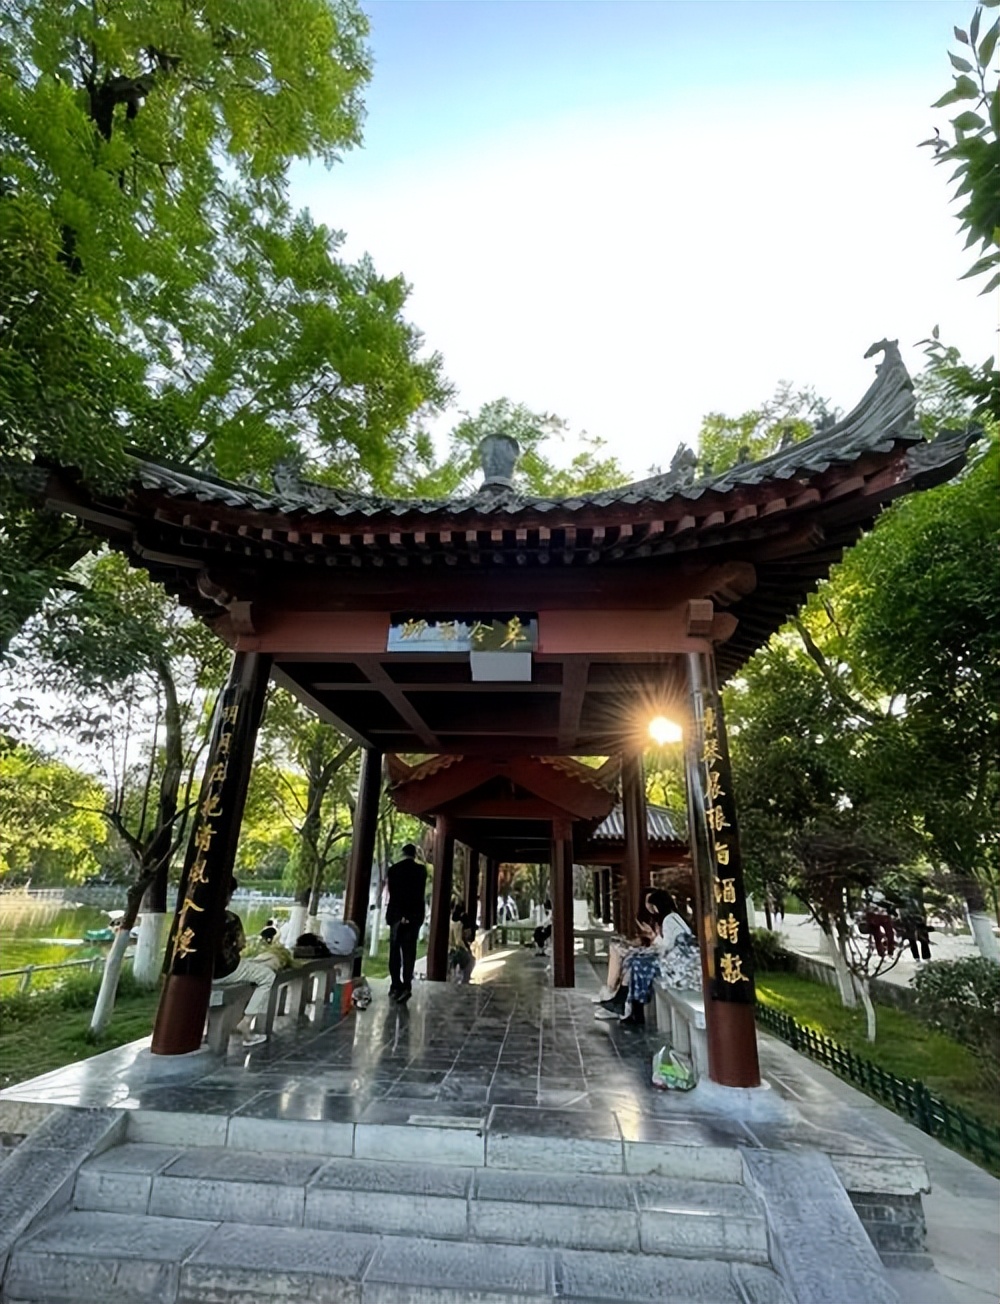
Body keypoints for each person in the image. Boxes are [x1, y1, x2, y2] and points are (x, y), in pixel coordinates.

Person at [595, 890, 700, 1027]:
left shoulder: (669, 920)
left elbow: (667, 945)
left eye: (652, 905)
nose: (651, 909)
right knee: (633, 962)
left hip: (676, 964)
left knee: (636, 964)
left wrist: (652, 939)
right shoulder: (673, 917)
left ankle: (629, 1006)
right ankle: (625, 1004)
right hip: (676, 960)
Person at [213, 877, 276, 1047]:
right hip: (227, 971)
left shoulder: (196, 916)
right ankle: (246, 1022)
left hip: (201, 973)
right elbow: (241, 945)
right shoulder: (231, 919)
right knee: (267, 976)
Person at [386, 842, 427, 1003]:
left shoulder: (393, 870)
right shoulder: (421, 871)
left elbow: (394, 894)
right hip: (414, 917)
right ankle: (407, 986)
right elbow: (418, 894)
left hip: (396, 916)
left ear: (402, 854)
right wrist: (409, 915)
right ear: (415, 855)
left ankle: (395, 985)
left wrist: (400, 915)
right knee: (409, 953)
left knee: (395, 952)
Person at [448, 900, 476, 983]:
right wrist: (466, 949)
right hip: (455, 950)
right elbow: (458, 941)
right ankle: (465, 981)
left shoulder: (450, 921)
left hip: (450, 949)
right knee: (471, 960)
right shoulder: (459, 924)